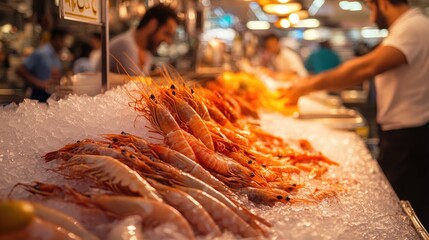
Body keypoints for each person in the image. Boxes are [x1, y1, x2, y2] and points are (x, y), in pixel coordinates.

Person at [281, 0, 429, 228]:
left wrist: (307, 85)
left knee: (403, 219)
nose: (371, 16)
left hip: (410, 137)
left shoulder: (414, 26)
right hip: (401, 133)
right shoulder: (406, 27)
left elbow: (364, 68)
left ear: (383, 3)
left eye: (371, 8)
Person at [97, 4, 179, 75]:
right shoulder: (126, 44)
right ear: (152, 25)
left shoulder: (147, 51)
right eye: (166, 34)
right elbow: (135, 82)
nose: (169, 41)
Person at [16, 27, 68, 102]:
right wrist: (39, 83)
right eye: (63, 40)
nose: (64, 44)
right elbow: (20, 70)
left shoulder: (56, 54)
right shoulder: (41, 52)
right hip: (39, 94)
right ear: (57, 39)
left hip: (51, 93)